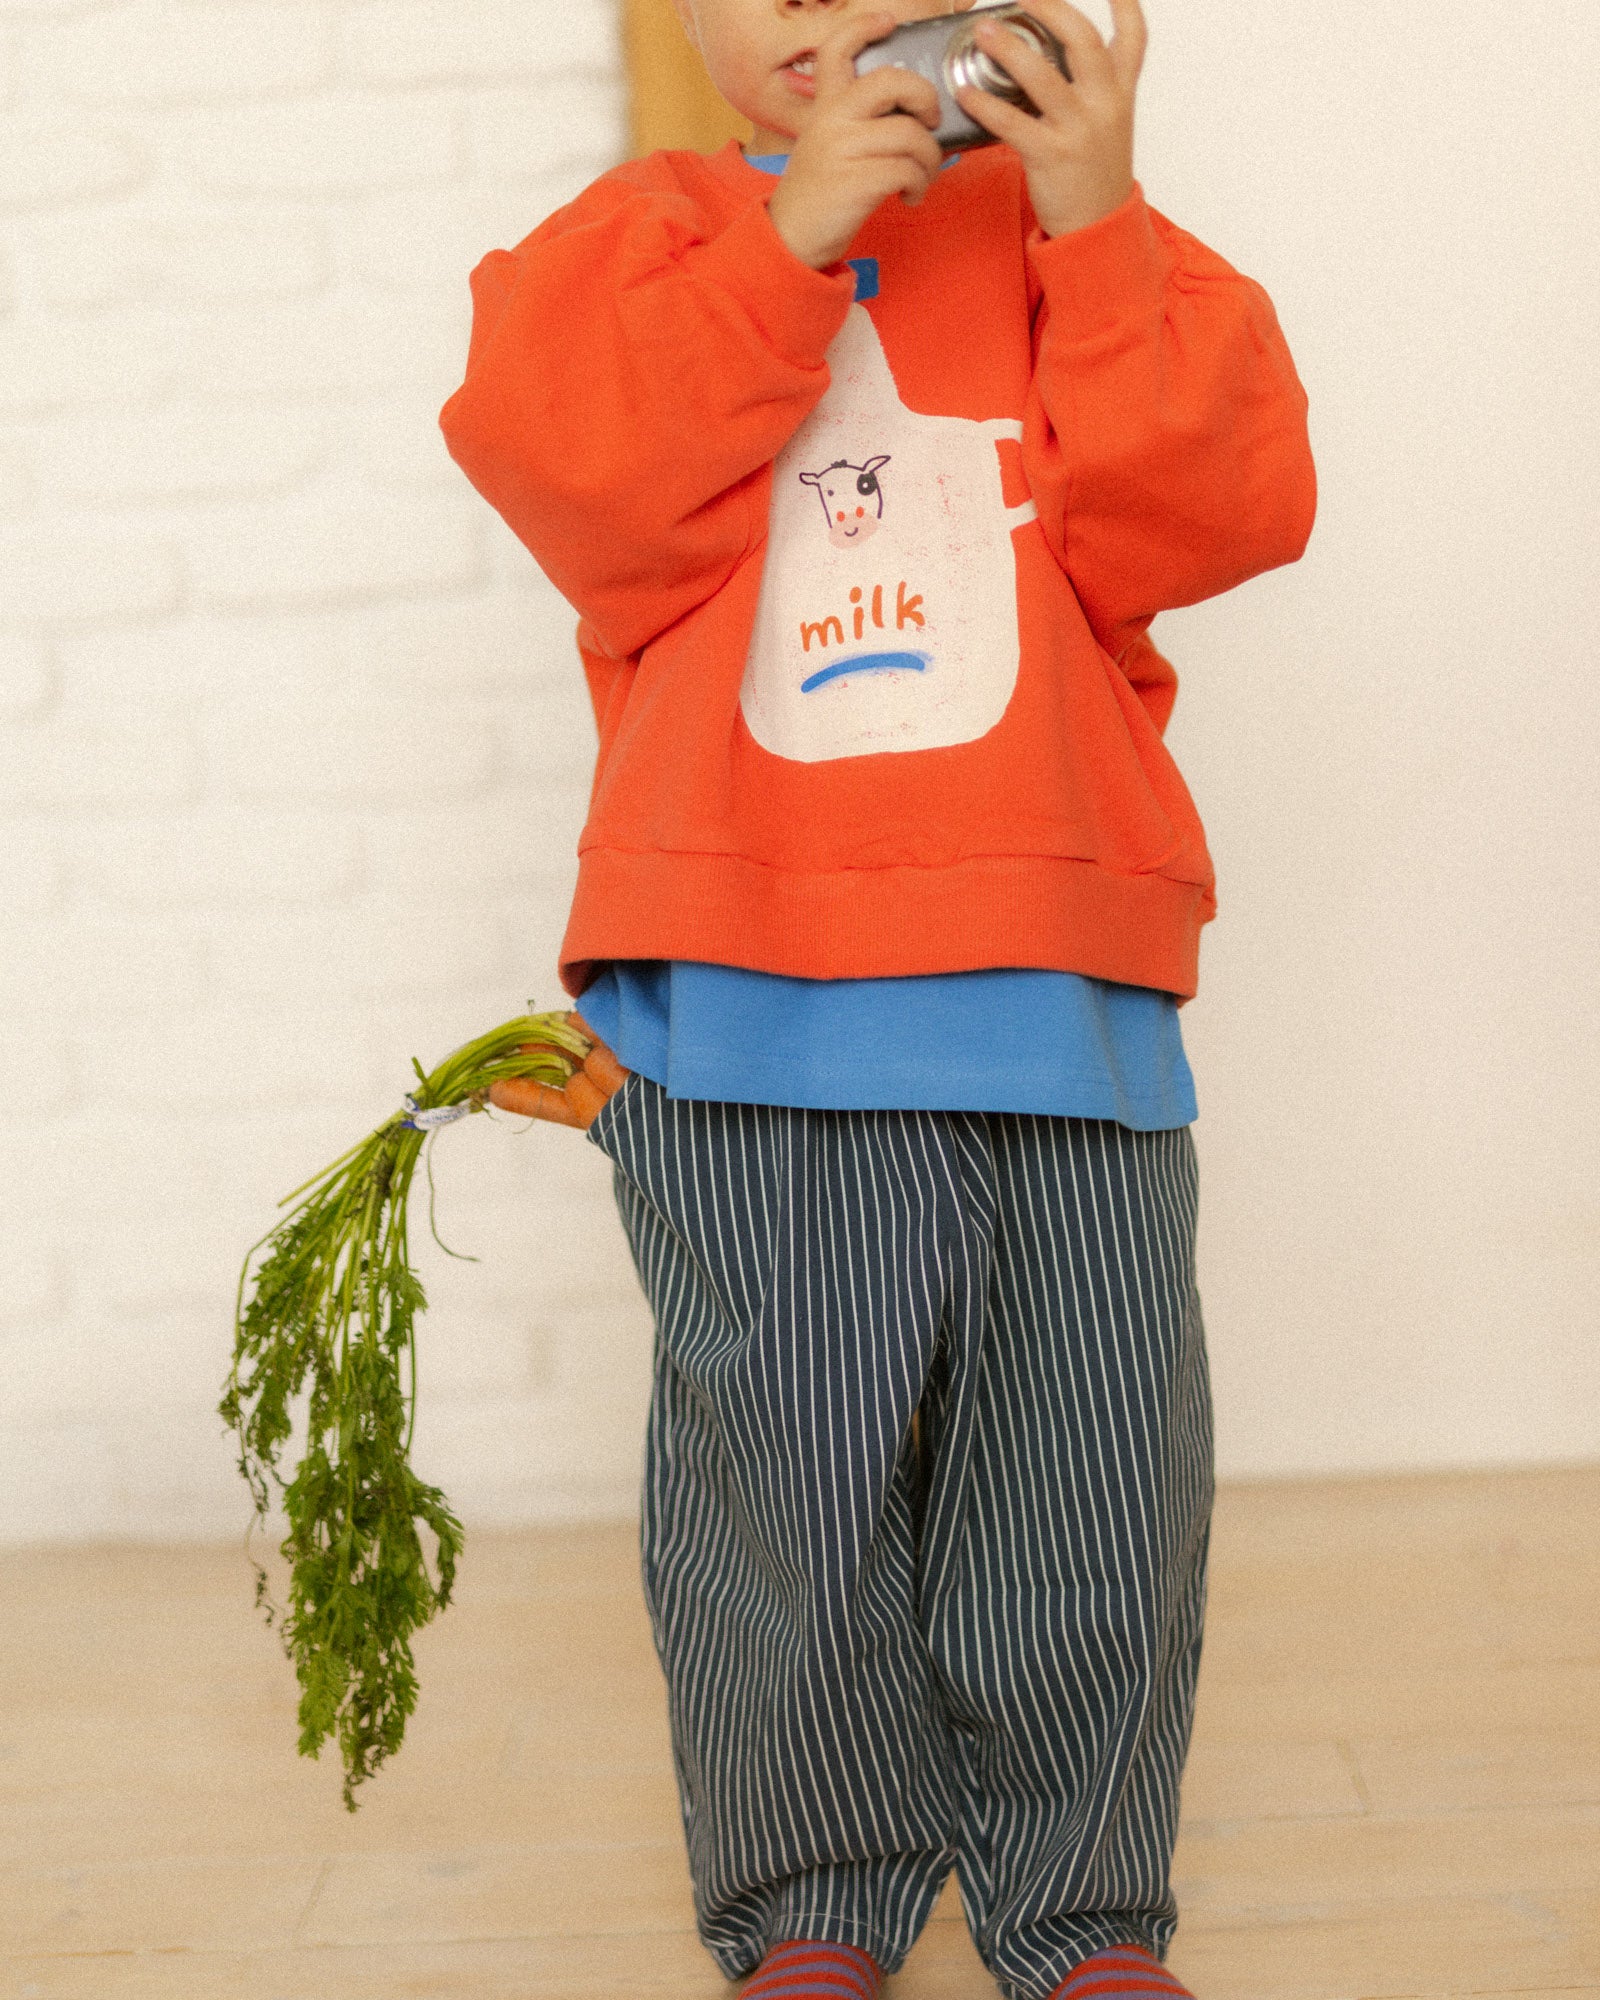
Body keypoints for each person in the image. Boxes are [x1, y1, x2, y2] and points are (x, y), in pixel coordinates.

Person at [440, 1, 1316, 1994]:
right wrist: (782, 249)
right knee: (787, 1502)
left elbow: (1218, 517)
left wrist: (1097, 220)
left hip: (1057, 994)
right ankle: (817, 1901)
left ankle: (1081, 1912)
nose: (822, 12)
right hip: (750, 998)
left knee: (1088, 1492)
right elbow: (583, 492)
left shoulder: (1071, 235)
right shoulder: (634, 241)